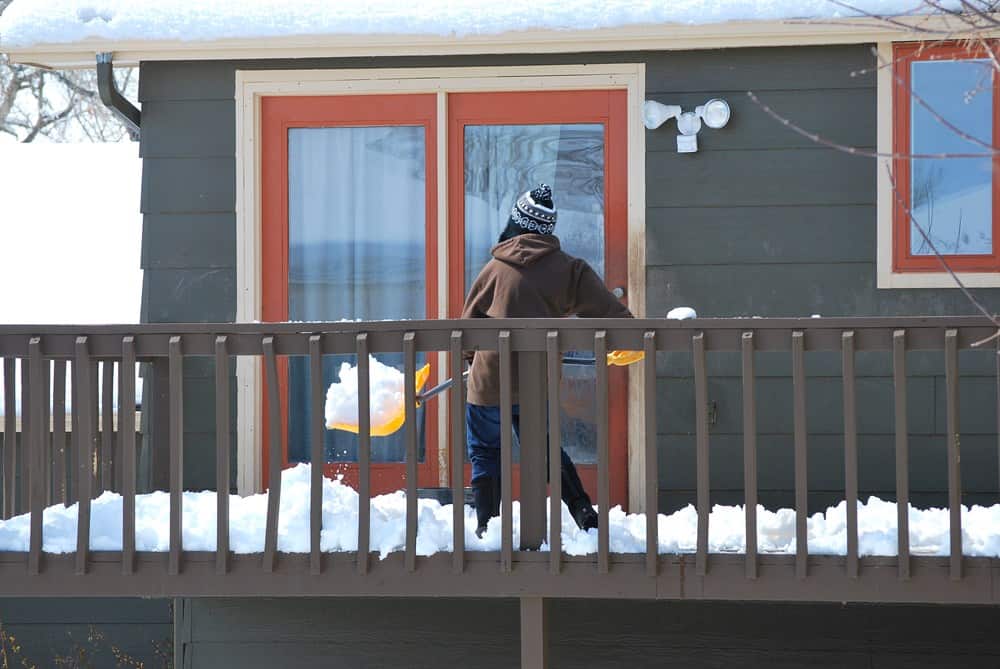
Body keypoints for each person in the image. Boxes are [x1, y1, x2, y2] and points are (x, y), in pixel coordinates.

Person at [461, 183, 633, 538]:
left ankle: (487, 527)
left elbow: (468, 326)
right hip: (534, 383)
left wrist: (469, 361)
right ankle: (583, 512)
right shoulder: (570, 270)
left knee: (485, 451)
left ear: (515, 222)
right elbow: (612, 315)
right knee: (545, 449)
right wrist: (626, 339)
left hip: (489, 380)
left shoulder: (493, 269)